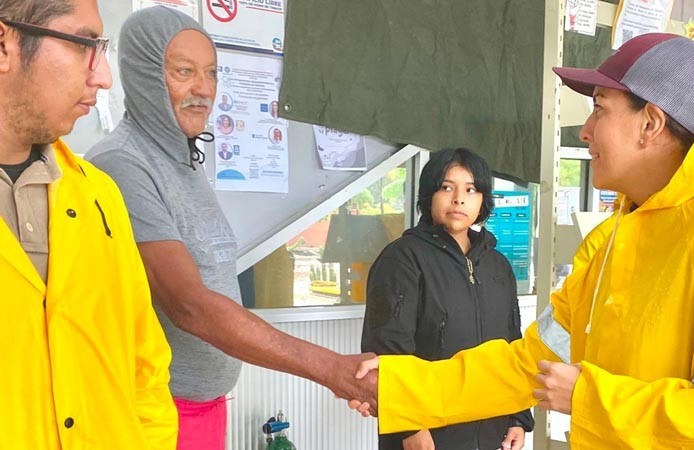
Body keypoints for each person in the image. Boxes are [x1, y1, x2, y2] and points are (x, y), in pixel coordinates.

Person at [350, 33, 694, 449]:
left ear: (651, 123)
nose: (586, 130)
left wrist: (590, 400)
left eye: (599, 108)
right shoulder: (617, 237)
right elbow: (526, 366)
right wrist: (398, 388)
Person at [85, 7, 374, 450]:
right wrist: (330, 368)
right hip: (155, 415)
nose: (203, 89)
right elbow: (190, 306)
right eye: (184, 71)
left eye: (212, 73)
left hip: (205, 409)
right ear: (143, 75)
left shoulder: (183, 161)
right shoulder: (123, 164)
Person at [0, 0, 177, 448]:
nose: (103, 77)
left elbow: (146, 369)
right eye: (83, 45)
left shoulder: (99, 195)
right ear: (4, 45)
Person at [362, 148, 533, 450]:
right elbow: (388, 349)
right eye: (446, 187)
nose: (459, 199)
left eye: (471, 189)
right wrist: (409, 428)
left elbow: (512, 345)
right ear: (429, 195)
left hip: (492, 431)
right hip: (427, 435)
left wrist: (518, 417)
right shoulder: (403, 258)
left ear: (483, 202)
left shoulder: (497, 266)